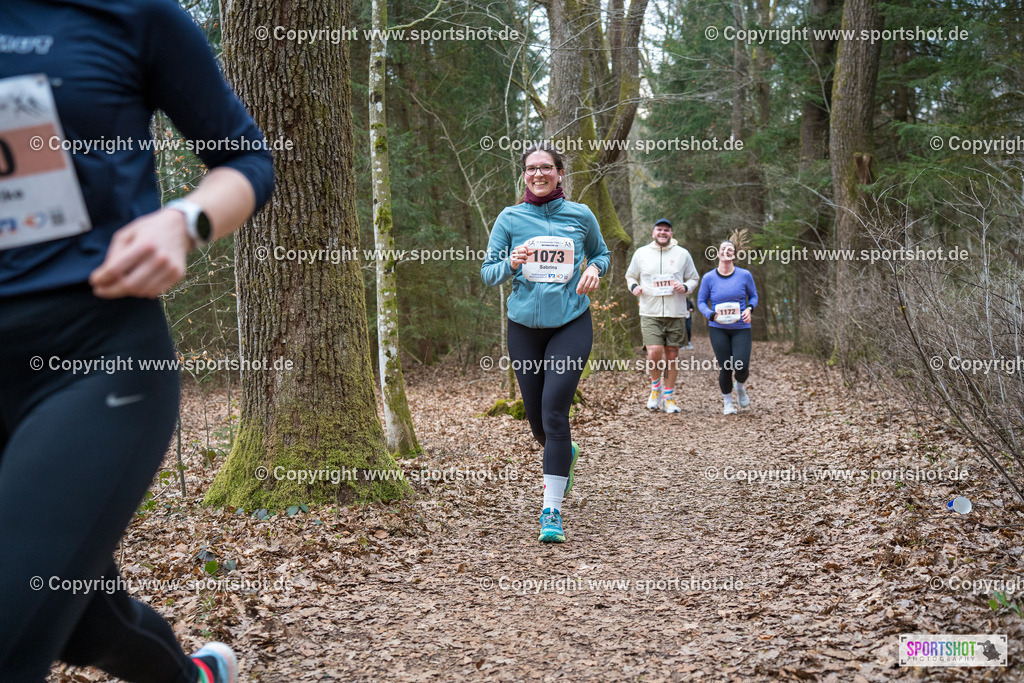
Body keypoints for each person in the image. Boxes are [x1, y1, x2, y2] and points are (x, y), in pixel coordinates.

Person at [0, 1, 274, 681]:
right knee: (86, 620)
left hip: (92, 357)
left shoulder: (135, 14)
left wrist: (183, 220)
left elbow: (246, 157)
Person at [481, 143, 610, 543]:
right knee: (538, 421)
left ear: (559, 173)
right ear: (524, 176)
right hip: (523, 329)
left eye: (546, 168)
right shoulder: (510, 218)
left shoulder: (580, 214)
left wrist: (593, 269)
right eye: (531, 169)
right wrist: (512, 263)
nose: (539, 174)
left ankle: (550, 511)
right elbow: (488, 274)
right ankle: (564, 454)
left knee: (555, 413)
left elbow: (602, 254)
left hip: (570, 323)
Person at [624, 218, 699, 414]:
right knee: (654, 352)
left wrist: (686, 287)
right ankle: (655, 388)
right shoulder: (641, 254)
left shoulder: (682, 254)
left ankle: (669, 397)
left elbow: (693, 277)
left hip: (676, 312)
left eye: (666, 230)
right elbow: (630, 275)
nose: (663, 233)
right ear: (653, 233)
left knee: (672, 356)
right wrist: (634, 287)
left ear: (671, 234)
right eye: (659, 229)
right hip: (650, 311)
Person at [697, 235, 758, 415]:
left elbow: (753, 296)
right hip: (718, 328)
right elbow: (701, 301)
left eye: (730, 250)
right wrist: (711, 314)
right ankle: (728, 403)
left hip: (741, 328)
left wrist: (749, 309)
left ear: (734, 255)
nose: (726, 252)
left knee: (741, 366)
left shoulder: (744, 275)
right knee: (725, 366)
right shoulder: (709, 278)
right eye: (723, 250)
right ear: (718, 254)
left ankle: (739, 387)